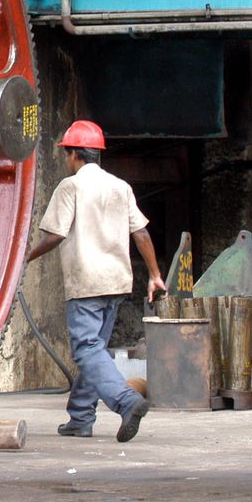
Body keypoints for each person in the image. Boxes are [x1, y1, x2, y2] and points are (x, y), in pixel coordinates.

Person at [27, 120, 166, 443]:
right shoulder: (120, 186)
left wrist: (26, 257)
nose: (66, 160)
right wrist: (155, 275)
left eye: (67, 154)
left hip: (86, 282)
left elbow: (55, 235)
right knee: (96, 349)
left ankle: (125, 401)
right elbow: (141, 233)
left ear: (75, 154)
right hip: (117, 282)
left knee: (87, 350)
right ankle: (80, 417)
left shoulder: (70, 187)